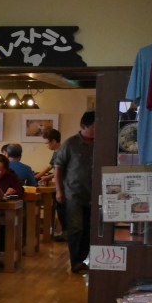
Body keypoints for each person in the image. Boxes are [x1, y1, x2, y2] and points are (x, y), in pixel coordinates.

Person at [53, 111, 96, 272]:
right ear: (83, 126)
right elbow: (58, 167)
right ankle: (76, 262)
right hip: (73, 193)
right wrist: (59, 191)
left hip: (93, 194)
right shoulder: (70, 143)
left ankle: (82, 259)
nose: (97, 131)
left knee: (88, 230)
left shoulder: (100, 143)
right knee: (76, 228)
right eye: (94, 127)